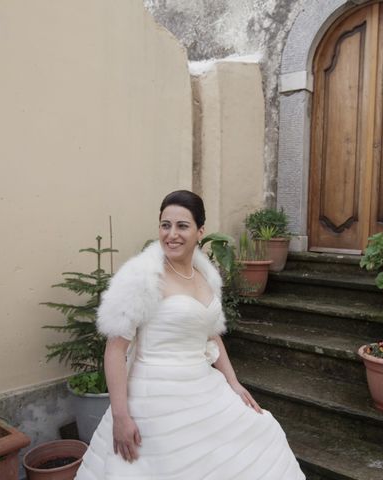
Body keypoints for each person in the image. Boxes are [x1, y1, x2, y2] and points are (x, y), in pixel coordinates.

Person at [75, 190, 305, 479]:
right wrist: (120, 416)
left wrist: (234, 383)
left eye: (182, 226)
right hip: (156, 397)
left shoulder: (205, 275)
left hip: (202, 385)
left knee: (260, 429)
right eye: (165, 225)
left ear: (200, 232)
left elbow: (212, 334)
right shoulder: (141, 276)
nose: (172, 234)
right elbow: (115, 350)